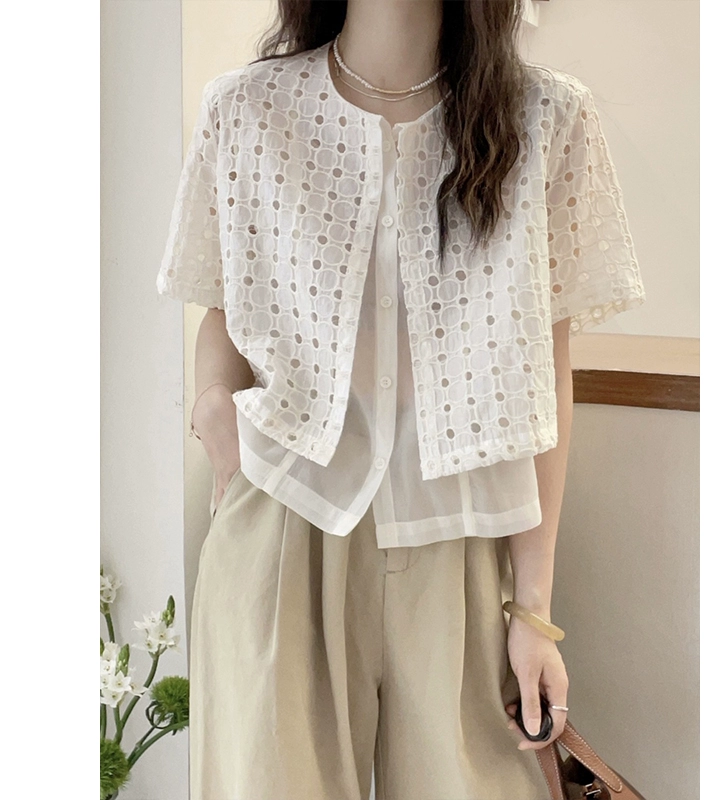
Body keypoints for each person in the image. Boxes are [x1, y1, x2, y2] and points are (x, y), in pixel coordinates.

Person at [156, 1, 645, 798]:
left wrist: (534, 612)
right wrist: (218, 420)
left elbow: (545, 370)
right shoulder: (246, 109)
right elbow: (222, 302)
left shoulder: (547, 117)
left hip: (462, 541)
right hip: (283, 523)